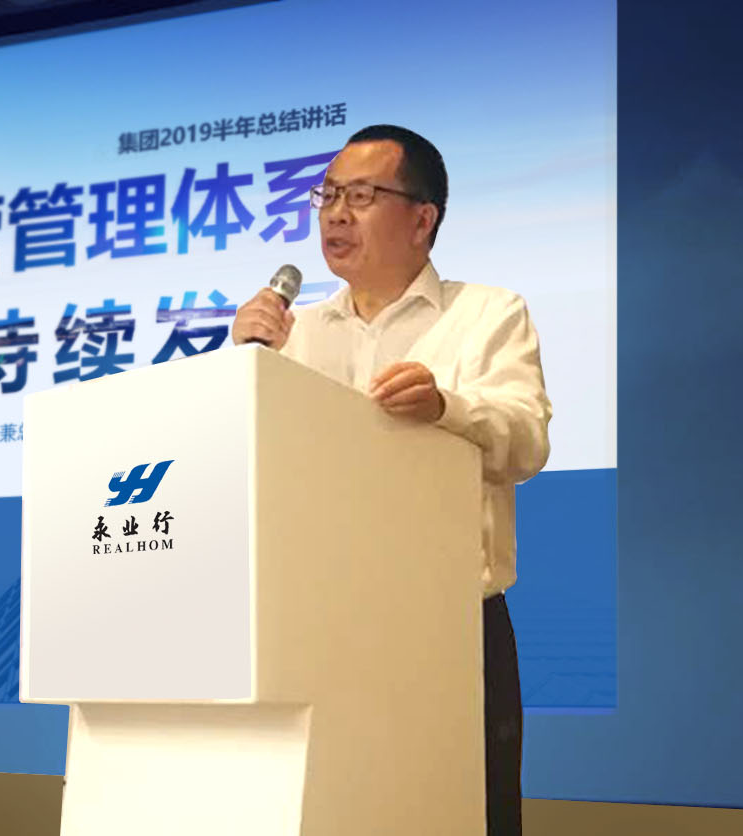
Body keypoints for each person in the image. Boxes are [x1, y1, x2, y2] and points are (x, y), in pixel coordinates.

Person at [231, 124, 551, 836]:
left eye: (361, 196)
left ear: (421, 218)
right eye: (327, 196)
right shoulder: (294, 334)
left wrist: (447, 408)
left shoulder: (486, 314)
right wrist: (243, 367)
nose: (335, 215)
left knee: (461, 811)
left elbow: (526, 440)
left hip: (448, 625)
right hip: (315, 624)